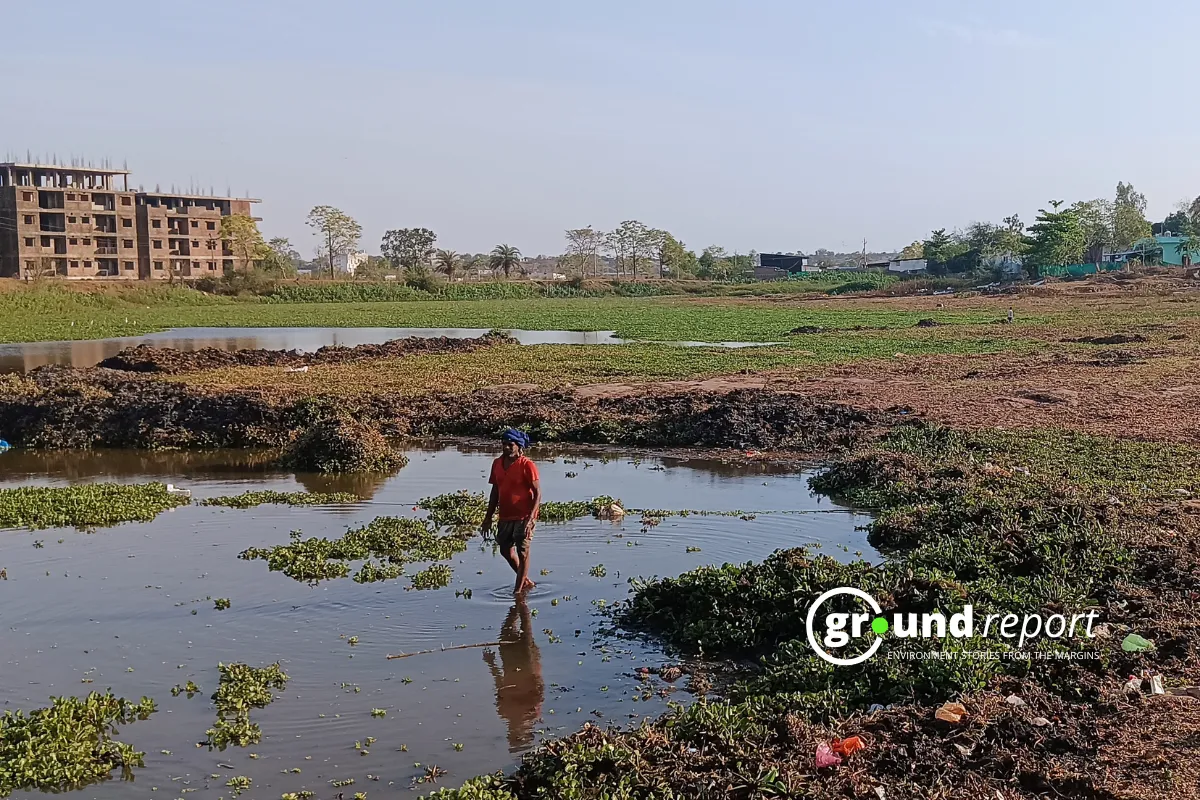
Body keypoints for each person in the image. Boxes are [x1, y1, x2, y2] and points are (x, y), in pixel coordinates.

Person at [482, 428, 541, 595]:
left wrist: (531, 518)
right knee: (504, 549)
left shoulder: (527, 465)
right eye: (504, 444)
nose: (506, 447)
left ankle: (518, 591)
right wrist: (488, 517)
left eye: (510, 444)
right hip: (506, 515)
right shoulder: (497, 464)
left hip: (524, 516)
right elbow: (495, 491)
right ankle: (526, 581)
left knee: (523, 552)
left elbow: (537, 493)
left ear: (518, 446)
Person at [482, 598, 544, 752]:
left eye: (516, 732)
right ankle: (520, 598)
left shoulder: (507, 712)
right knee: (521, 625)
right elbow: (538, 683)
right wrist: (491, 664)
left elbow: (500, 685)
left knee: (510, 627)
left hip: (515, 662)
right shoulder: (532, 711)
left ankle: (520, 598)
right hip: (524, 662)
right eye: (522, 731)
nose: (521, 727)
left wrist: (491, 664)